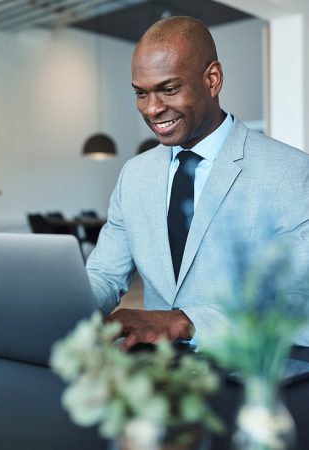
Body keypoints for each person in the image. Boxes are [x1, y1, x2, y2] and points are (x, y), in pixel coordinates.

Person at [86, 16, 309, 350]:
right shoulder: (134, 175)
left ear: (213, 79)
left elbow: (298, 309)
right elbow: (103, 275)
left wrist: (184, 322)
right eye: (141, 94)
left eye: (169, 89)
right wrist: (57, 309)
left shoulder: (292, 172)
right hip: (157, 379)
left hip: (251, 382)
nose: (152, 109)